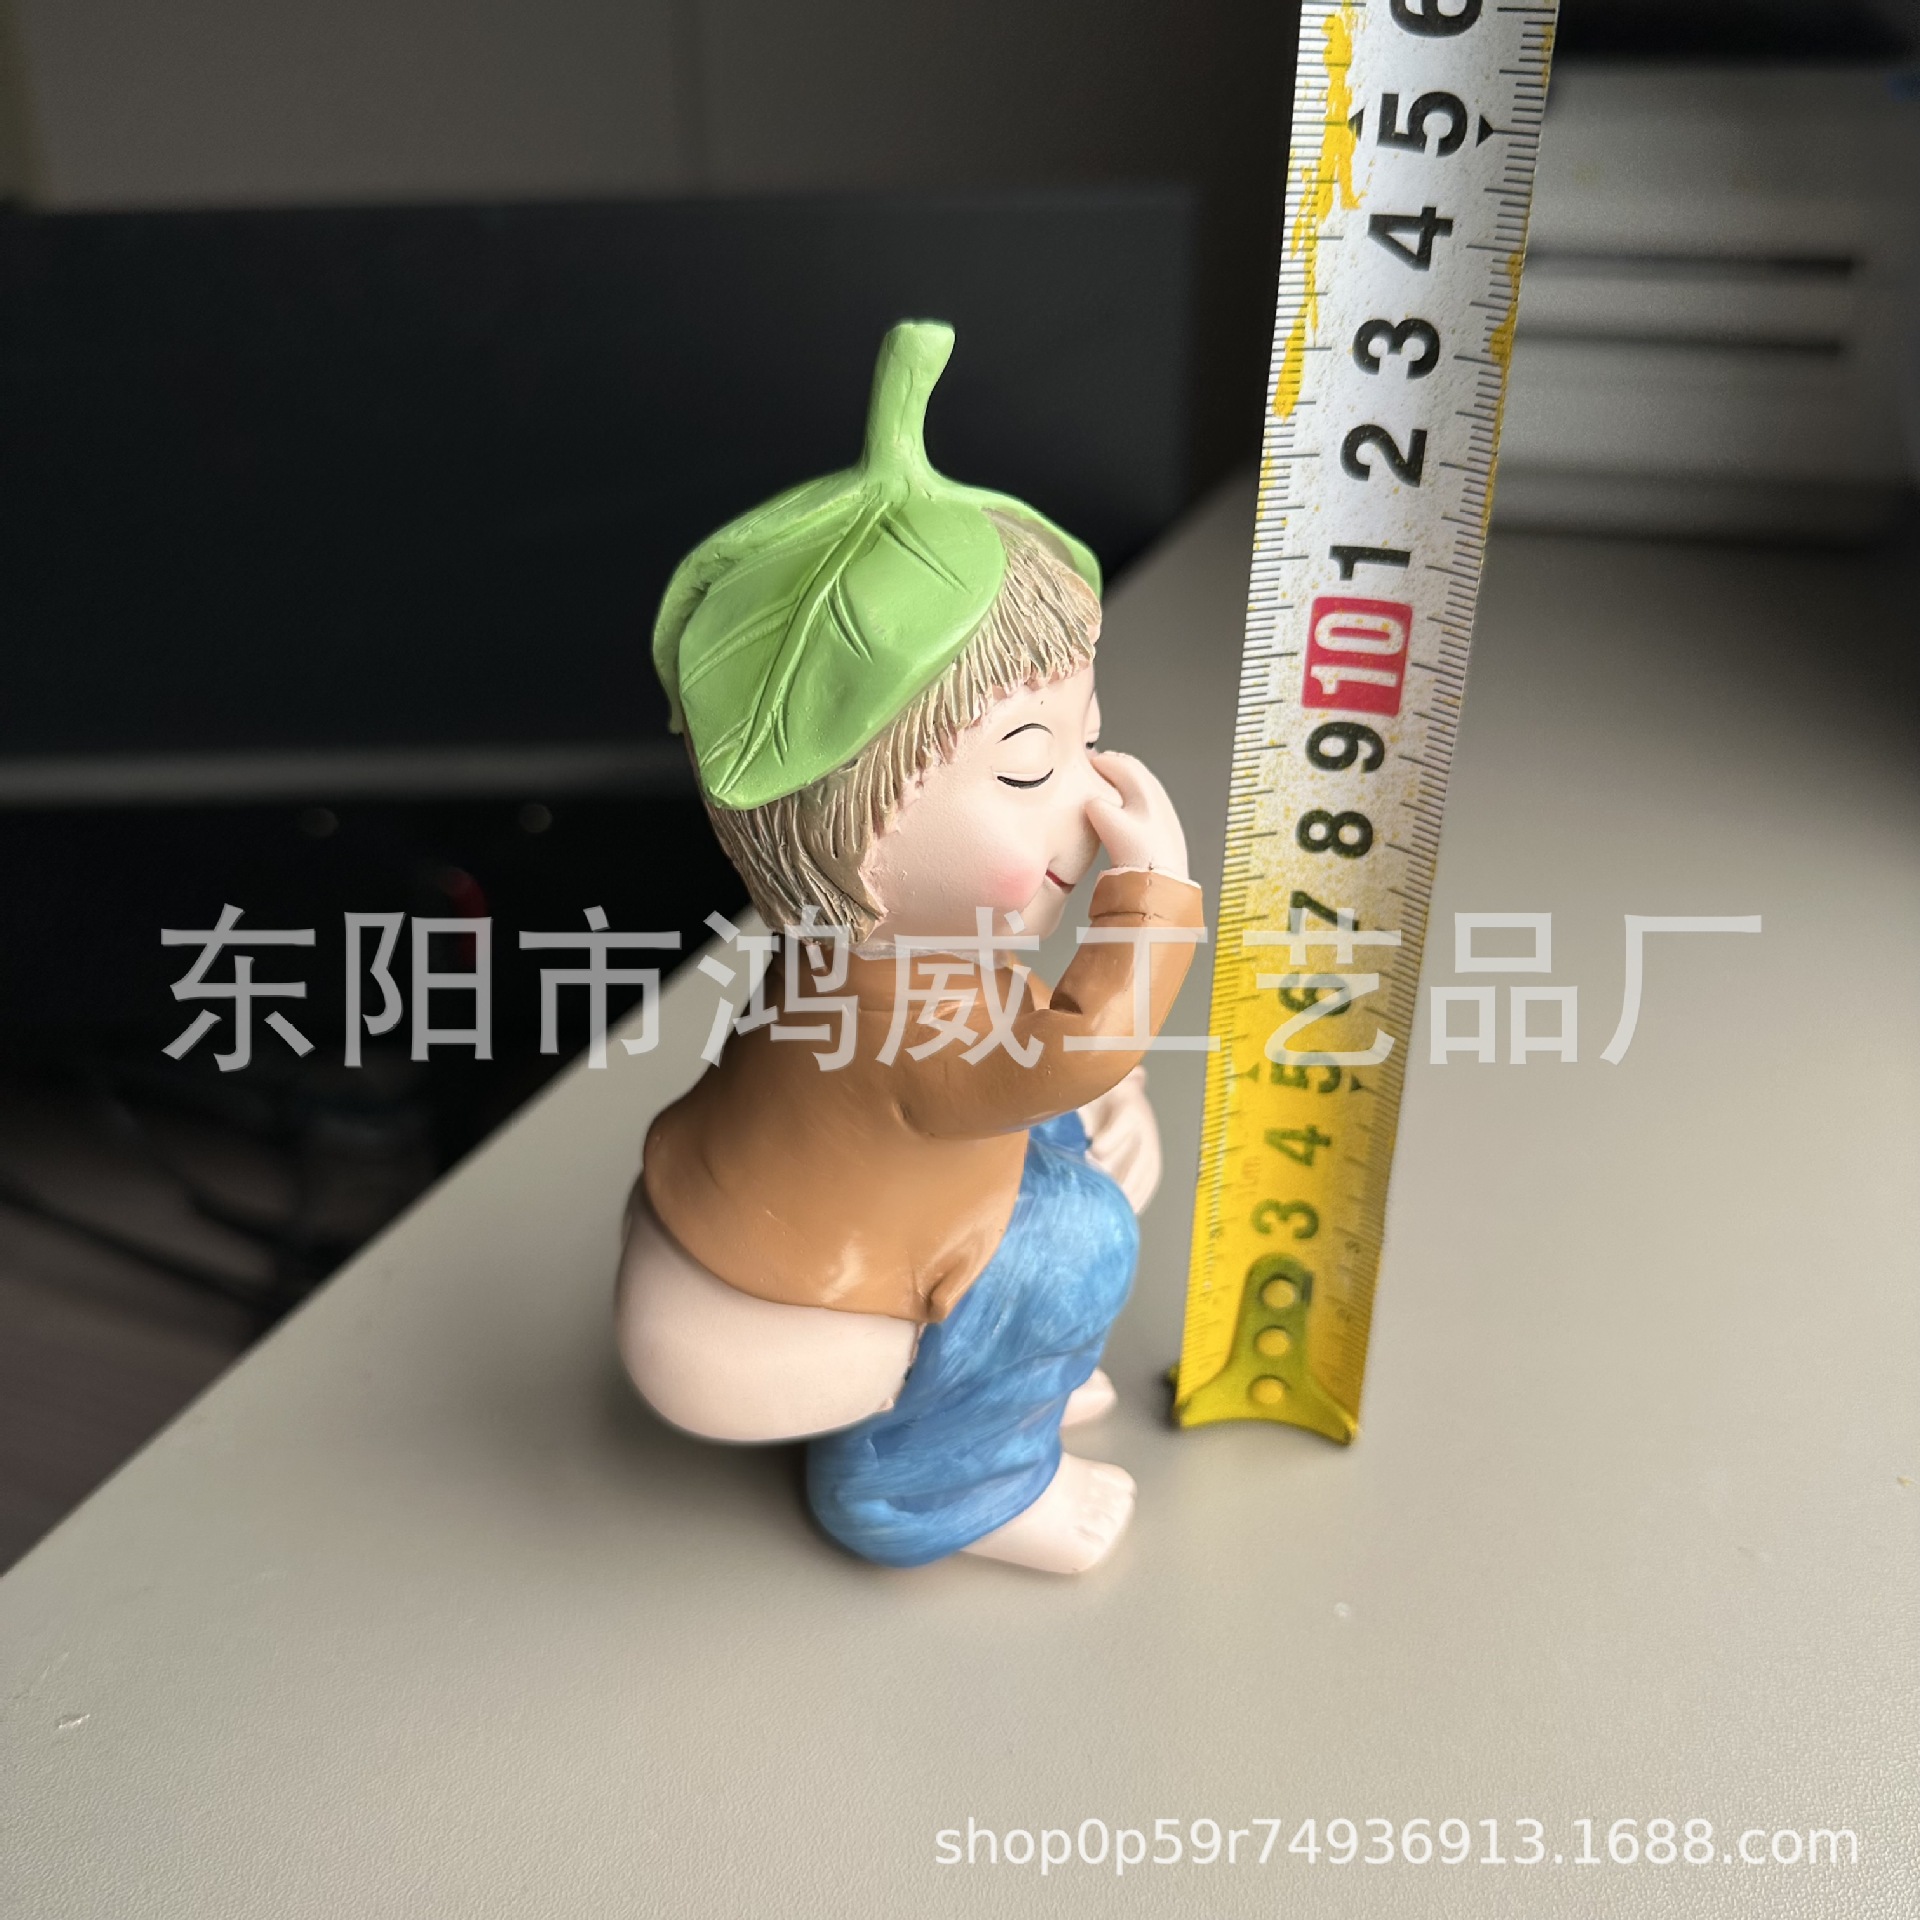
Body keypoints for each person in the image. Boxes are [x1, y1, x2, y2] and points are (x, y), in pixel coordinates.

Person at [617, 321, 1202, 1574]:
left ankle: (1009, 1382)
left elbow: (1034, 1057)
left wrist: (1093, 1086)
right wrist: (1152, 897)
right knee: (1076, 1244)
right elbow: (1070, 1049)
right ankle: (930, 1487)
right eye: (1031, 767)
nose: (1097, 799)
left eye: (1089, 736)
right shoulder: (893, 1003)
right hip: (816, 1261)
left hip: (851, 1183)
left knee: (1080, 1137)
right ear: (860, 831)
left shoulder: (900, 955)